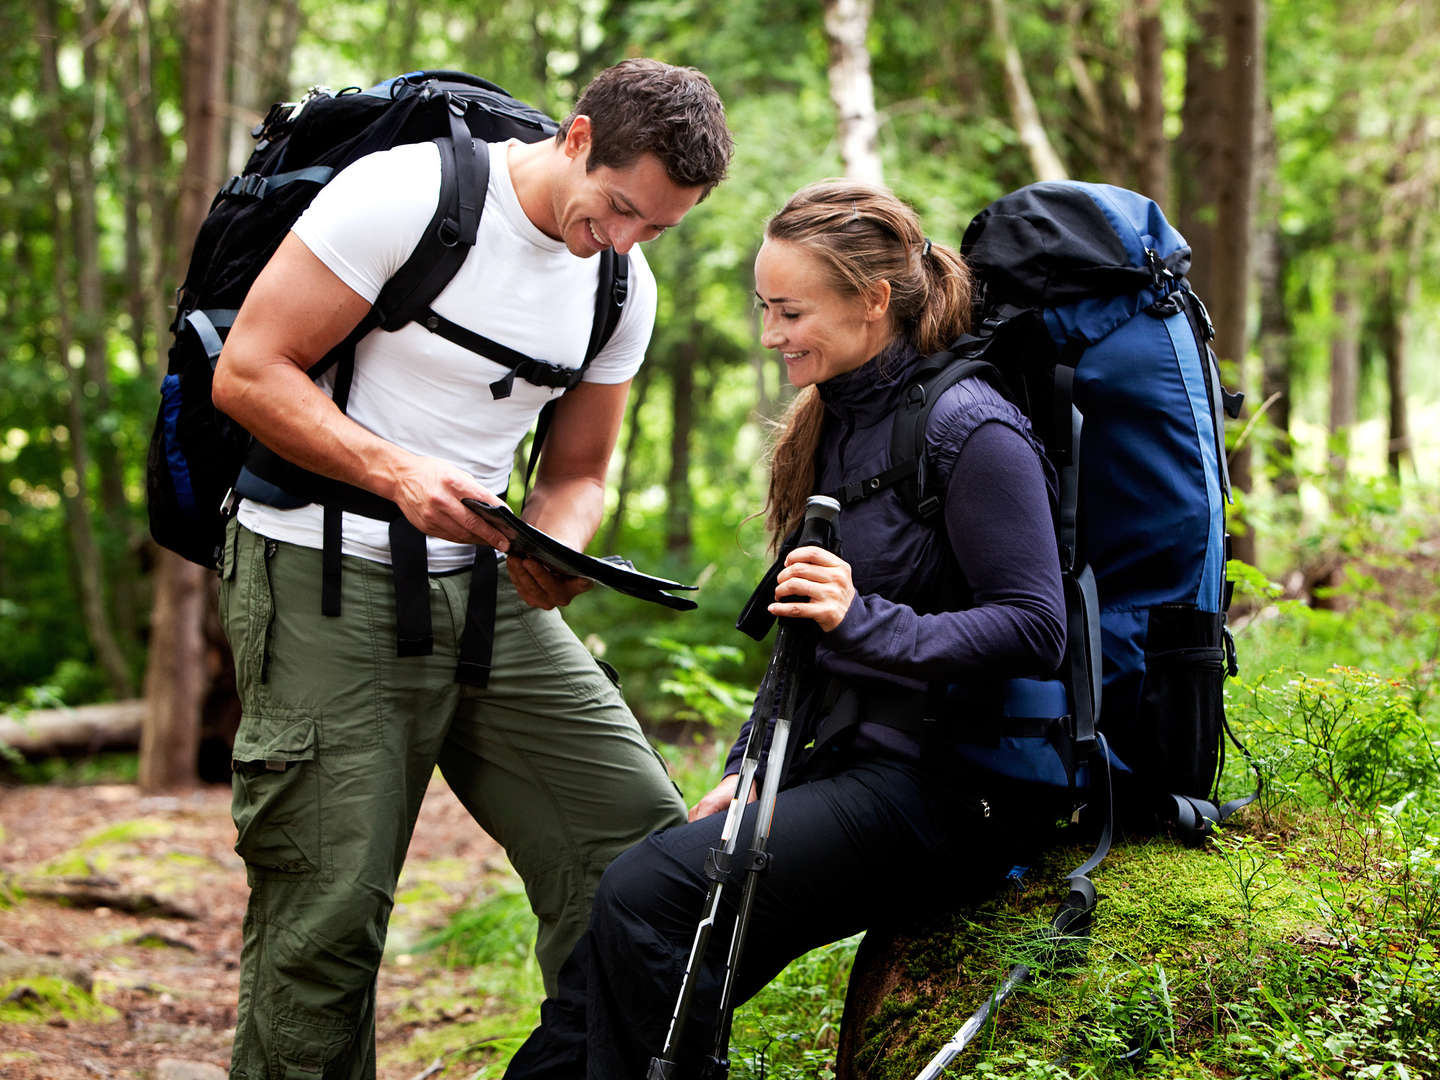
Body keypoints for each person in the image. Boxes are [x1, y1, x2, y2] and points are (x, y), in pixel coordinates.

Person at [210, 59, 733, 1080]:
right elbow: (249, 371)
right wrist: (393, 468)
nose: (624, 239)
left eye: (658, 228)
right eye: (621, 208)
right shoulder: (405, 196)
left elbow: (579, 469)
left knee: (637, 852)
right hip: (320, 569)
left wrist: (556, 544)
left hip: (486, 590)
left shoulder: (622, 283)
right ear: (577, 140)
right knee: (328, 911)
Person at [502, 179, 1068, 1077]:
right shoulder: (837, 420)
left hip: (955, 792)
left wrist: (867, 620)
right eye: (765, 308)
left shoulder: (971, 425)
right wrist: (747, 768)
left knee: (648, 896)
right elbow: (803, 644)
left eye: (790, 311)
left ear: (873, 300)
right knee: (634, 955)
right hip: (849, 765)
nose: (771, 335)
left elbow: (1038, 628)